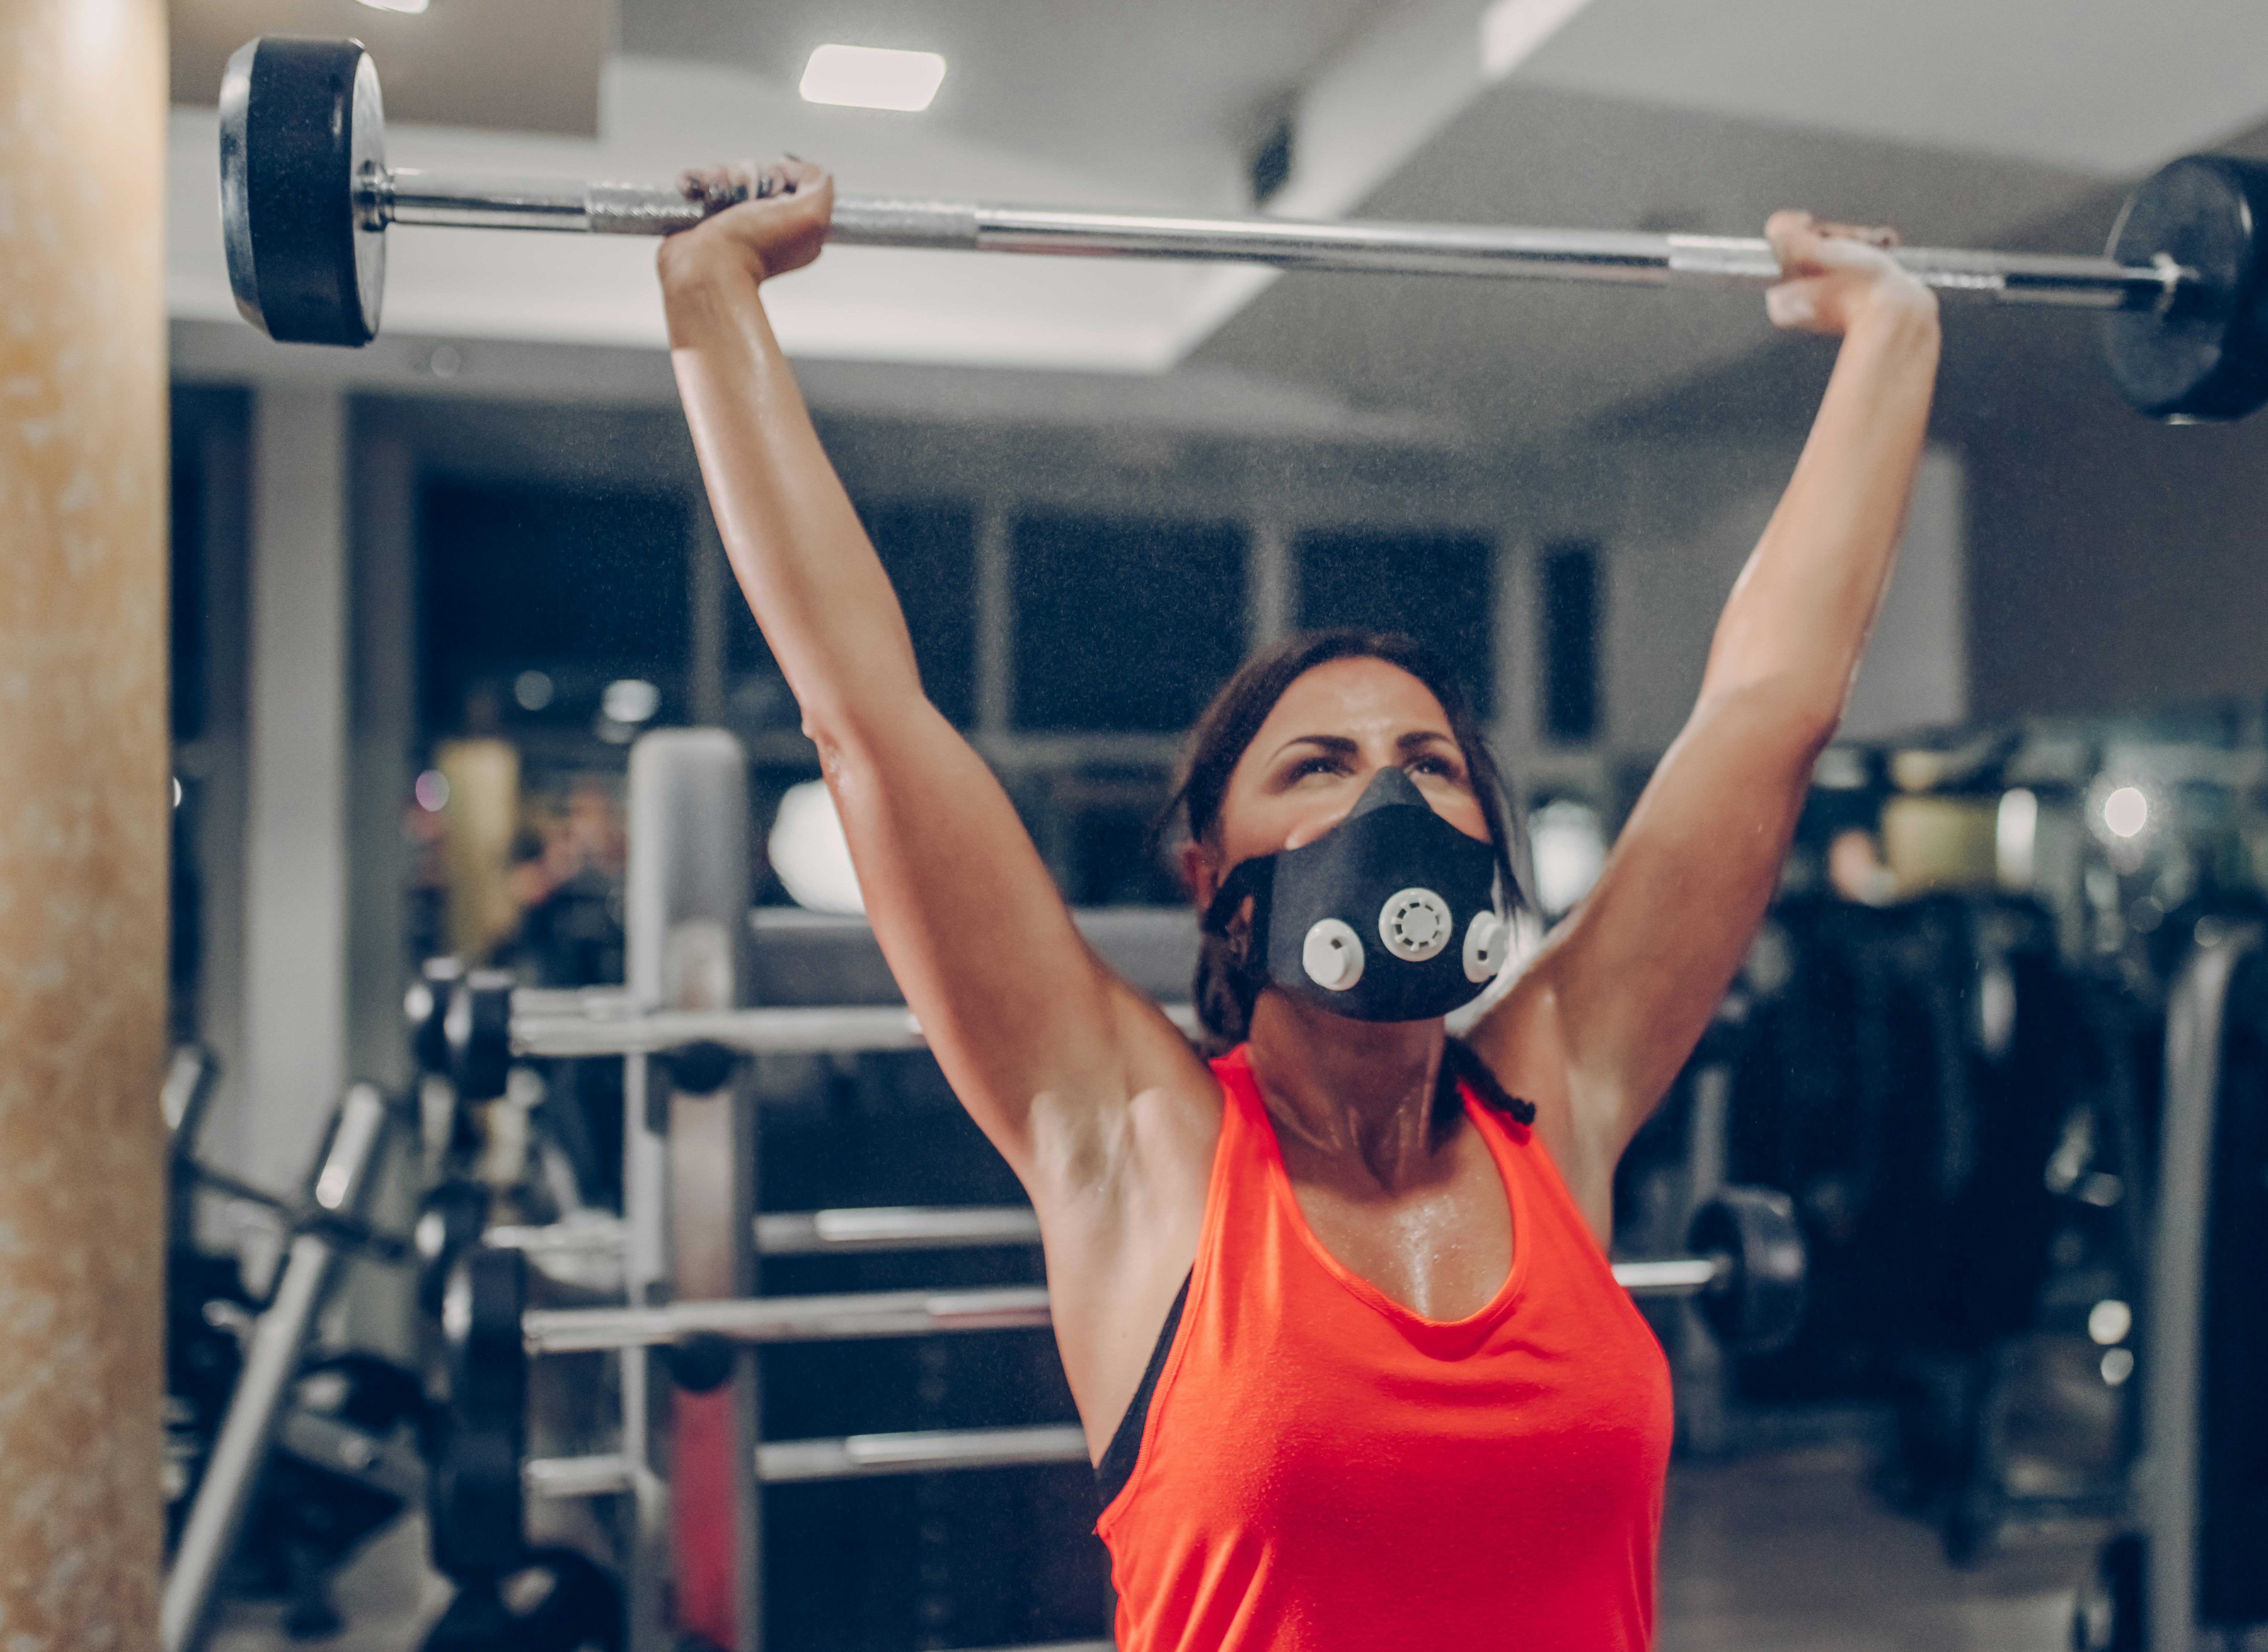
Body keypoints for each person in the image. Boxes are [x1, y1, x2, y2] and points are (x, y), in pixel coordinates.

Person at [656, 159, 1938, 1650]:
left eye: (1428, 765)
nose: (1383, 802)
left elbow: (1767, 713)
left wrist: (1889, 334)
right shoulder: (1137, 1138)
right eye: (1316, 767)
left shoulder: (1558, 1091)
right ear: (1213, 875)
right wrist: (711, 296)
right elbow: (863, 717)